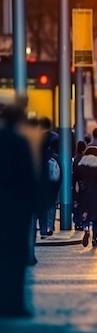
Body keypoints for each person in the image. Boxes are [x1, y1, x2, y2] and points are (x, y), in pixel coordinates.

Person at [0, 104, 39, 317]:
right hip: (16, 207)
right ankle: (13, 303)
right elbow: (27, 177)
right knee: (15, 257)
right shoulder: (19, 142)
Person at [75, 146, 97, 248]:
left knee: (84, 214)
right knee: (96, 218)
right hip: (96, 194)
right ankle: (94, 238)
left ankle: (86, 230)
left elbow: (75, 180)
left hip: (83, 193)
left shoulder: (80, 166)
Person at [73, 141, 87, 231]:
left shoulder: (76, 158)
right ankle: (80, 222)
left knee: (77, 205)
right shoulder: (84, 159)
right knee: (82, 205)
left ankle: (77, 222)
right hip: (83, 184)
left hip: (76, 184)